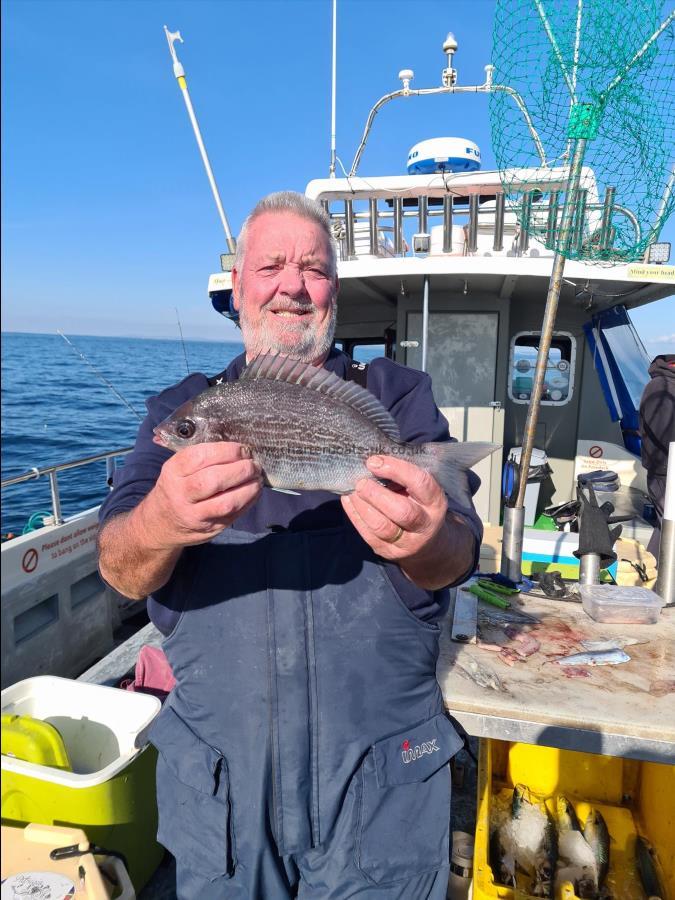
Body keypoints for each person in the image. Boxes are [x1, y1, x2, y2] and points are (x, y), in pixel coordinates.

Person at [97, 191, 483, 899]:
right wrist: (162, 519)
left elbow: (458, 552)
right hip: (223, 795)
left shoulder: (398, 397)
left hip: (380, 790)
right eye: (270, 264)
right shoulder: (179, 408)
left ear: (333, 288)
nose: (292, 284)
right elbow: (120, 570)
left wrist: (427, 536)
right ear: (237, 285)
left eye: (313, 267)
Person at [639, 353, 675, 561]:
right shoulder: (661, 388)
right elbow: (664, 434)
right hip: (665, 473)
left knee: (666, 530)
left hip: (669, 471)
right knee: (670, 528)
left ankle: (653, 580)